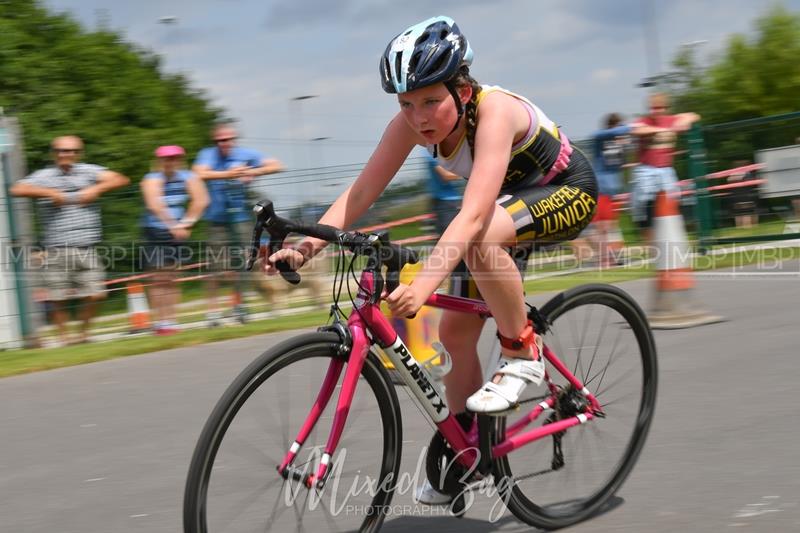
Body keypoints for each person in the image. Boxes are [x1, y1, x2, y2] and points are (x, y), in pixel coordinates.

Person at [264, 16, 597, 504]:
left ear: (462, 90)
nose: (418, 116)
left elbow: (475, 212)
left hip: (565, 189)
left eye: (430, 100)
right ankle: (470, 449)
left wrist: (424, 285)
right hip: (504, 209)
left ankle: (523, 352)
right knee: (452, 334)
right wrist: (307, 246)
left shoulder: (495, 111)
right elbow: (360, 193)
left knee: (479, 238)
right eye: (406, 103)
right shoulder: (407, 127)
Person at [10, 135, 130, 345]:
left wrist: (96, 189)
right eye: (62, 151)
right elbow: (16, 189)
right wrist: (48, 192)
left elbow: (121, 179)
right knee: (57, 298)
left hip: (87, 247)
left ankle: (83, 333)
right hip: (56, 248)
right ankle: (65, 338)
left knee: (96, 294)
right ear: (54, 153)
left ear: (79, 153)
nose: (67, 154)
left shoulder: (90, 171)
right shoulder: (44, 175)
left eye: (72, 151)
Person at [192, 123, 284, 326]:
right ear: (215, 142)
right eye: (219, 140)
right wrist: (229, 174)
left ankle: (239, 306)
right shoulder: (208, 155)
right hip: (216, 219)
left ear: (234, 139)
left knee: (244, 263)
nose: (224, 143)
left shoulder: (244, 154)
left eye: (227, 139)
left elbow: (277, 165)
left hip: (241, 218)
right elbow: (199, 173)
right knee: (214, 265)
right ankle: (213, 312)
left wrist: (251, 172)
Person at [140, 145, 209, 335]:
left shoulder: (188, 177)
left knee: (172, 278)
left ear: (179, 159)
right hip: (156, 230)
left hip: (177, 231)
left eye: (174, 158)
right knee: (158, 278)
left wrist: (186, 223)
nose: (170, 162)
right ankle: (159, 322)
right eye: (166, 159)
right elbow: (154, 205)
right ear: (160, 161)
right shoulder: (151, 179)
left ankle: (171, 320)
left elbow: (201, 200)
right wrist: (173, 225)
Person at [630, 93, 700, 243]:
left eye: (659, 108)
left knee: (672, 201)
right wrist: (659, 130)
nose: (656, 111)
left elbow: (694, 116)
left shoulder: (670, 120)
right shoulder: (644, 121)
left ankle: (673, 237)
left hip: (666, 169)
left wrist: (682, 122)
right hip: (646, 169)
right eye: (653, 108)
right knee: (643, 205)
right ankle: (648, 241)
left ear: (666, 108)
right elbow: (635, 129)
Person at [588, 112, 633, 266]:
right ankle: (604, 259)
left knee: (610, 226)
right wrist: (629, 127)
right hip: (601, 188)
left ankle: (609, 257)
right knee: (602, 227)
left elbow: (619, 164)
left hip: (614, 190)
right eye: (617, 126)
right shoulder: (601, 138)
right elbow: (600, 134)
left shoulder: (619, 143)